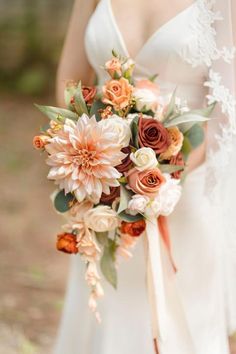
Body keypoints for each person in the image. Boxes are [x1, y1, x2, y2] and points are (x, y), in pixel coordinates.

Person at [53, 1, 236, 353]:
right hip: (100, 193)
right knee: (105, 317)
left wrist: (160, 175)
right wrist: (84, 155)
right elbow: (70, 79)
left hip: (185, 191)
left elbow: (227, 107)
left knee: (180, 326)